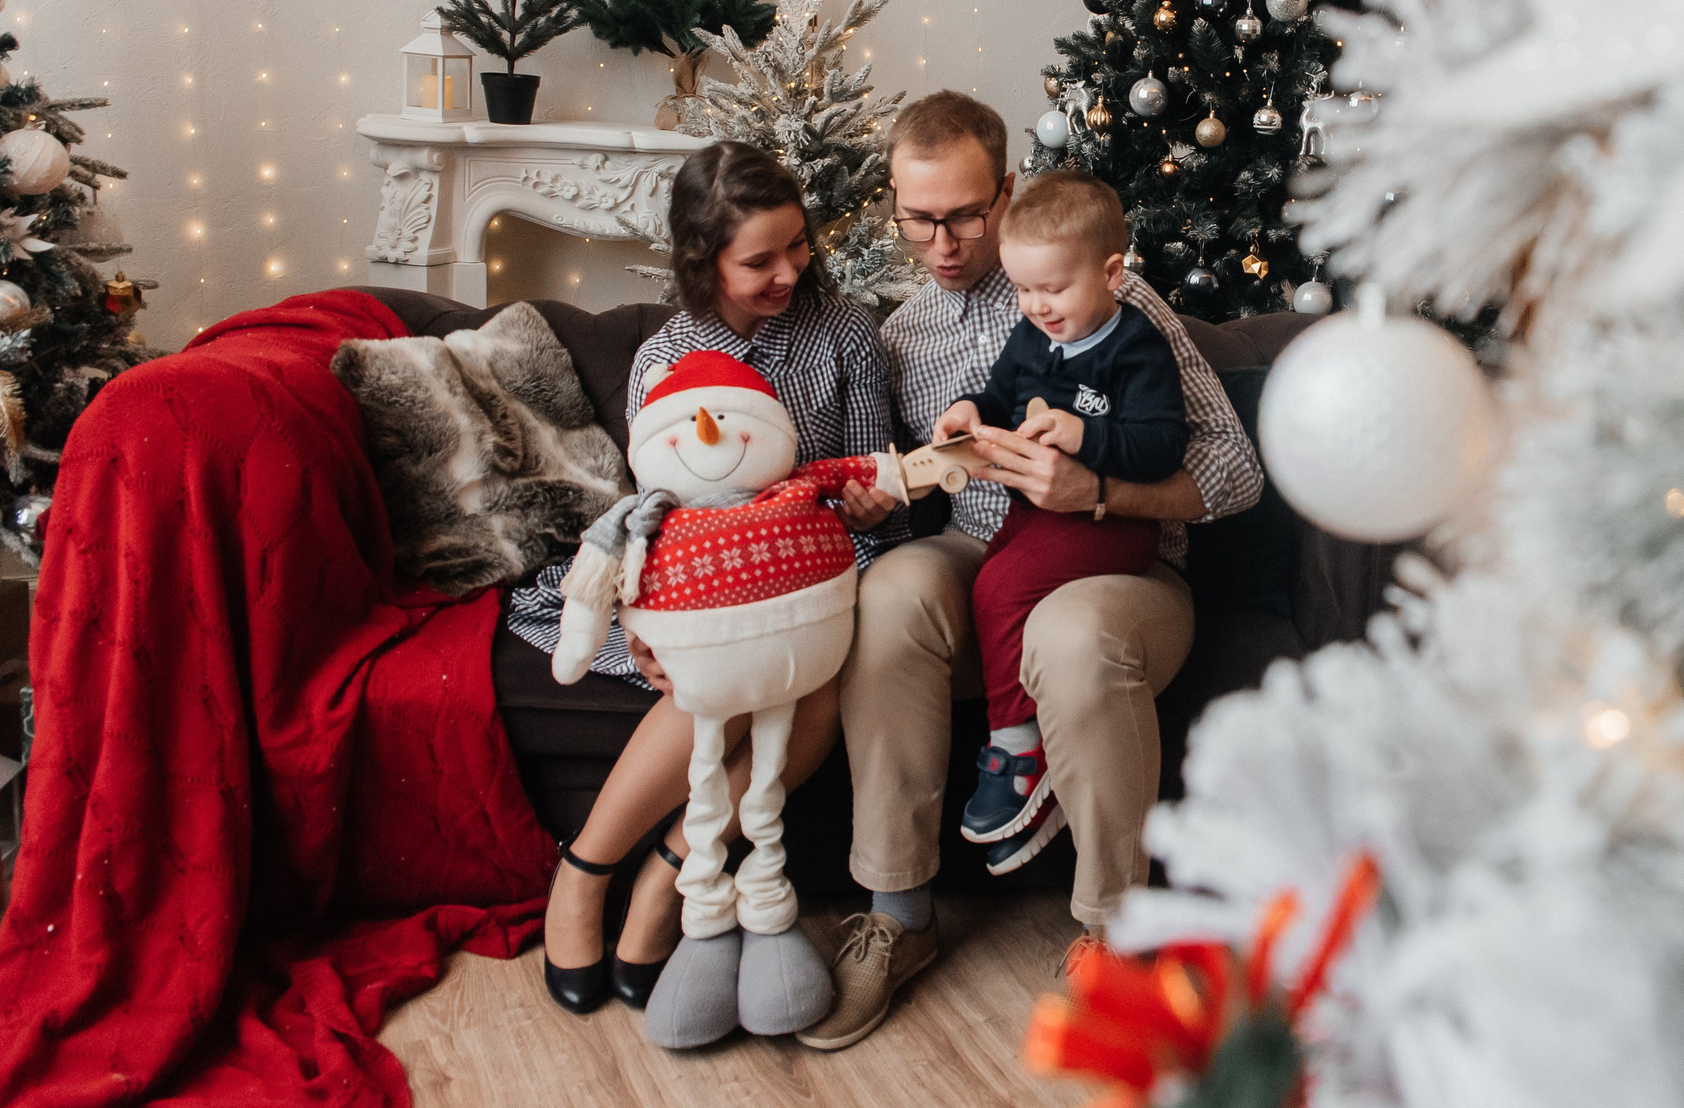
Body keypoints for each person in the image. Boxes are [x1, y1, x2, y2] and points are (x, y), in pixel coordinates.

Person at [796, 94, 1262, 1052]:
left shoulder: (1106, 297)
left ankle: (1113, 934)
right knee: (887, 597)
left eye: (966, 214)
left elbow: (1235, 469)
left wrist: (1095, 485)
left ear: (1006, 194)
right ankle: (897, 912)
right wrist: (891, 498)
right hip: (986, 550)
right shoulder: (901, 337)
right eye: (919, 218)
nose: (944, 242)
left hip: (1120, 569)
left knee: (1070, 631)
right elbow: (930, 487)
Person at [500, 141, 902, 1020]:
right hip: (700, 575)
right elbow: (660, 511)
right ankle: (583, 872)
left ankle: (666, 874)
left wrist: (875, 500)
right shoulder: (666, 359)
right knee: (708, 677)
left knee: (813, 684)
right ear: (701, 259)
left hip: (820, 568)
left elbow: (878, 468)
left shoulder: (847, 333)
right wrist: (651, 618)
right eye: (759, 259)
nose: (789, 271)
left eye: (797, 246)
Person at [930, 171, 1187, 864]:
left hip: (1111, 522)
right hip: (1036, 513)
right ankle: (1026, 730)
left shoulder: (1137, 346)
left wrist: (1087, 437)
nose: (1036, 306)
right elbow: (999, 392)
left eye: (1053, 289)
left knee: (999, 588)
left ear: (1111, 273)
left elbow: (1164, 444)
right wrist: (970, 412)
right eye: (1022, 289)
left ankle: (1016, 747)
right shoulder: (1032, 337)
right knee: (995, 576)